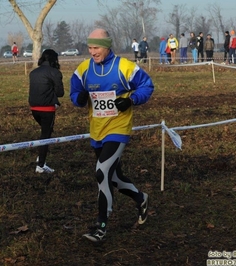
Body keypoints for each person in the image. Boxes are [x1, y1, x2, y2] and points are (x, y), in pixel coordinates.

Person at [69, 28, 154, 243]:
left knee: (101, 172)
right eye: (89, 47)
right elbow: (74, 93)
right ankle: (140, 198)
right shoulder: (84, 69)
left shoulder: (124, 67)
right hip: (97, 131)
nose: (92, 52)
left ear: (107, 46)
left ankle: (101, 225)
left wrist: (131, 100)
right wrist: (79, 98)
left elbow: (147, 85)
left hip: (119, 128)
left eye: (96, 47)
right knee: (113, 177)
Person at [29, 49, 64, 173]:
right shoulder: (55, 72)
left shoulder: (33, 73)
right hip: (47, 109)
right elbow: (60, 93)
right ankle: (41, 165)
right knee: (46, 135)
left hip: (34, 108)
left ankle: (40, 157)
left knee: (46, 132)